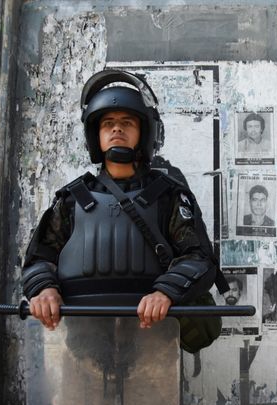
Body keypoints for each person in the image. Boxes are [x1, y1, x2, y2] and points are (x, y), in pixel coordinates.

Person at [21, 70, 222, 331]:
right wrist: (45, 289)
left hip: (153, 334)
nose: (117, 128)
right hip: (82, 335)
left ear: (144, 133)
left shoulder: (169, 196)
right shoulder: (72, 199)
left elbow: (198, 258)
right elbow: (39, 258)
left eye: (127, 122)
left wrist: (165, 293)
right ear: (96, 136)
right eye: (108, 123)